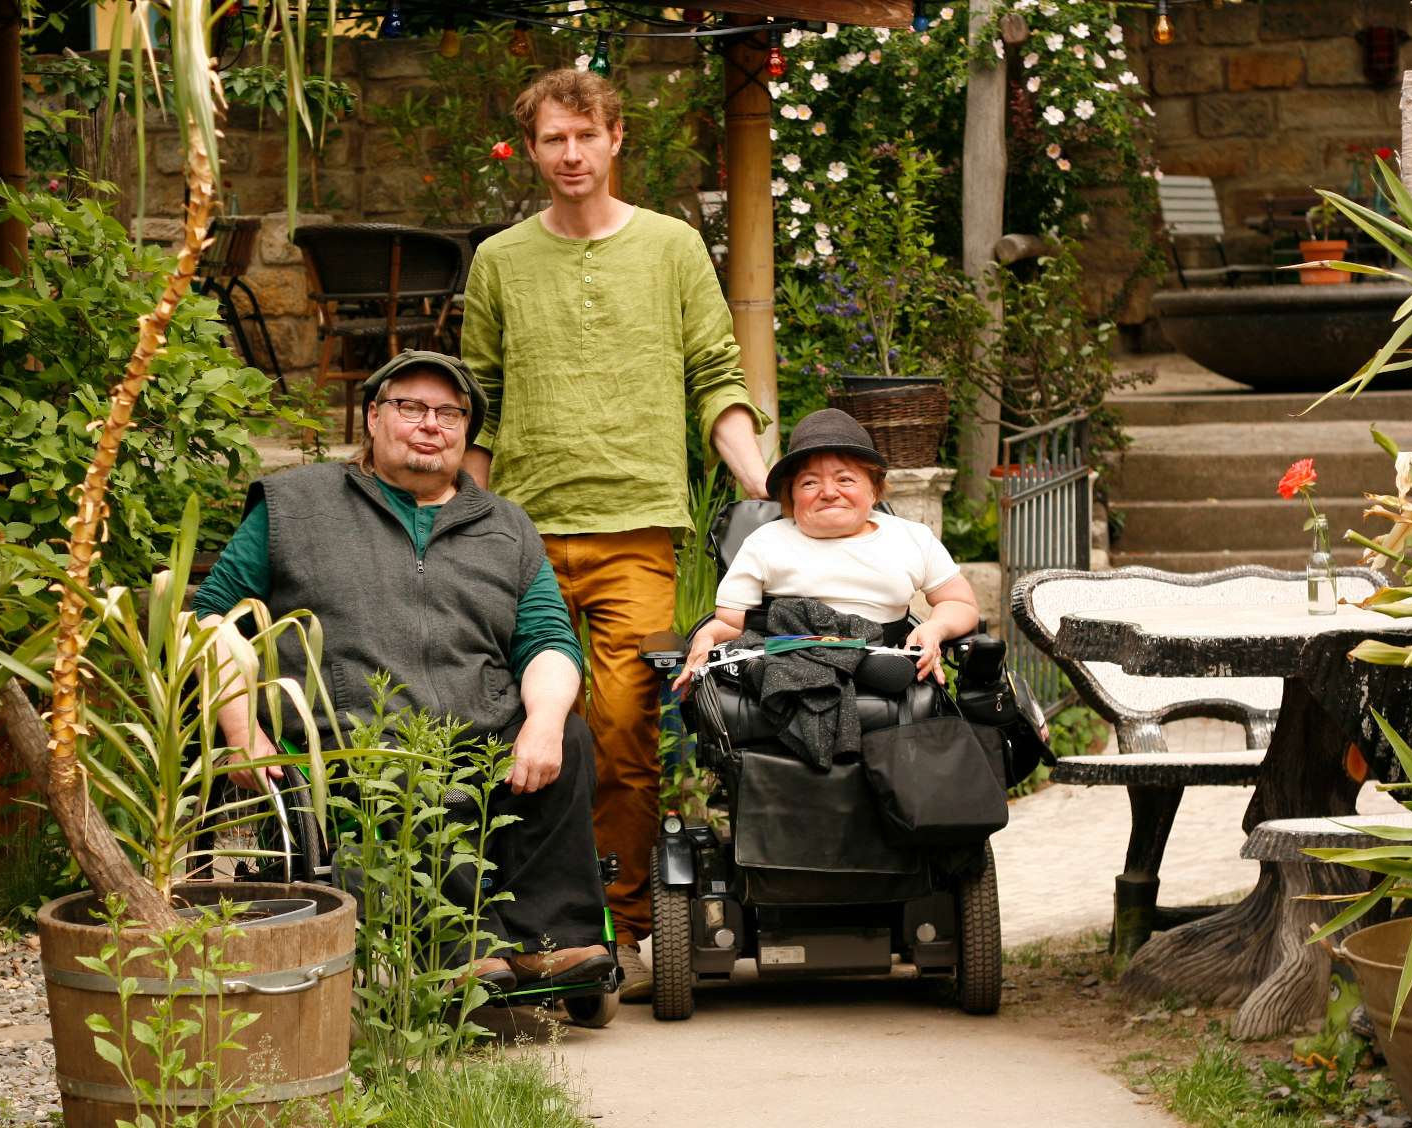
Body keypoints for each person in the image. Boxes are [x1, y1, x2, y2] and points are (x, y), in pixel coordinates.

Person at [459, 67, 771, 1001]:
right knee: (510, 729)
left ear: (615, 139)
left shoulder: (672, 248)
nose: (570, 155)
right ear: (533, 148)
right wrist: (457, 523)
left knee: (626, 730)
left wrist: (767, 485)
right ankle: (525, 932)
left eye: (584, 137)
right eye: (552, 139)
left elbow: (718, 375)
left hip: (638, 529)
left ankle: (625, 933)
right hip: (522, 535)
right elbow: (482, 401)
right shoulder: (500, 261)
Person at [191, 349, 614, 994]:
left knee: (571, 740)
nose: (431, 424)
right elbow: (214, 618)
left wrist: (546, 722)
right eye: (410, 407)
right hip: (353, 737)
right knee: (395, 761)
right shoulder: (293, 507)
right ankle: (462, 948)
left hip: (482, 730)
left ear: (466, 431)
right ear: (372, 418)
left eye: (450, 412)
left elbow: (550, 640)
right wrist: (241, 728)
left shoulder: (507, 528)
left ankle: (547, 941)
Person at [673, 408, 983, 695]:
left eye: (845, 479)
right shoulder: (765, 542)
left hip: (879, 658)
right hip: (790, 660)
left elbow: (959, 602)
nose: (829, 492)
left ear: (873, 489)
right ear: (791, 498)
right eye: (809, 483)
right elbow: (730, 623)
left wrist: (935, 628)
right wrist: (706, 638)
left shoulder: (910, 537)